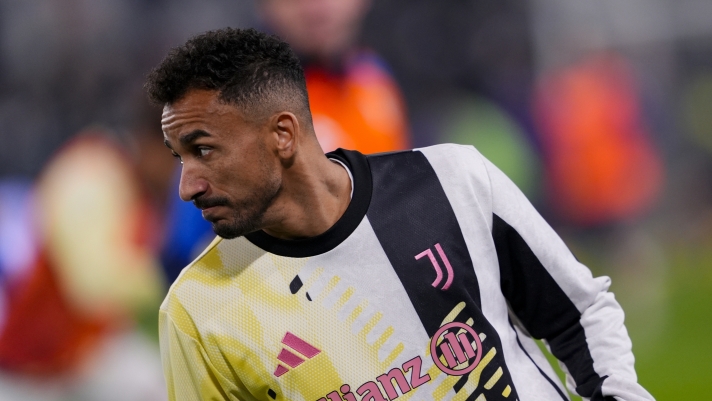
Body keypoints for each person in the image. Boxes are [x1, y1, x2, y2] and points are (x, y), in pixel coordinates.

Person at [146, 28, 654, 401]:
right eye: (179, 157)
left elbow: (577, 313)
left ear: (282, 135)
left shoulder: (453, 179)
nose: (187, 185)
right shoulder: (197, 312)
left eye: (204, 149)